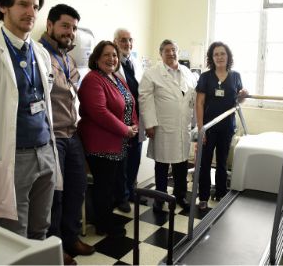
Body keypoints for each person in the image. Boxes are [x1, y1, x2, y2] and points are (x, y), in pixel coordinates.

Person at [0, 0, 62, 240]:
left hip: (45, 151)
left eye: (35, 6)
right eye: (23, 4)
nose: (31, 12)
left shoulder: (40, 53)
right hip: (13, 157)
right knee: (14, 234)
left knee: (41, 227)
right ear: (3, 6)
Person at [39, 4, 94, 264]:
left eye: (73, 28)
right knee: (55, 195)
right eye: (65, 26)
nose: (70, 32)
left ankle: (71, 238)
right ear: (49, 25)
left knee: (77, 188)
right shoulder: (39, 54)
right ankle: (56, 246)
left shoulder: (68, 58)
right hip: (53, 137)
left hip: (72, 134)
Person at [78, 41, 138, 237]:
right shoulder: (93, 79)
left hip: (118, 141)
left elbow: (129, 102)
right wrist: (125, 130)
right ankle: (103, 225)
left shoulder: (114, 77)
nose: (111, 59)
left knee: (111, 185)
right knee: (104, 186)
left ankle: (105, 218)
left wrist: (134, 125)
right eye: (106, 55)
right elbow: (99, 112)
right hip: (100, 143)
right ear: (96, 58)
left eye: (114, 55)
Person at [139, 39, 197, 212]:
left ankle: (180, 196)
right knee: (162, 165)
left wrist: (194, 124)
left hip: (182, 127)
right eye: (167, 51)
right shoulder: (152, 73)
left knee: (181, 164)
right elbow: (144, 99)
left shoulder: (187, 72)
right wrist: (149, 124)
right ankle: (159, 198)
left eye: (174, 50)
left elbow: (192, 98)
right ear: (161, 54)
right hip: (162, 127)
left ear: (178, 52)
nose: (171, 53)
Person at [195, 41, 248, 210]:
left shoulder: (235, 76)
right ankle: (203, 196)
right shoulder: (205, 77)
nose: (219, 57)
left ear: (228, 56)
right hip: (209, 127)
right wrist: (201, 128)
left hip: (227, 127)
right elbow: (199, 103)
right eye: (216, 54)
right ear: (212, 58)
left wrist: (243, 95)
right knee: (205, 162)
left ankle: (220, 193)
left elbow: (238, 100)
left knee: (223, 163)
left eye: (222, 54)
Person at [113, 28, 147, 213]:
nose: (127, 44)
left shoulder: (134, 63)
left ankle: (132, 191)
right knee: (123, 160)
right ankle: (122, 197)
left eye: (129, 40)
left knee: (135, 158)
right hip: (123, 120)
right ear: (115, 41)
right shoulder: (113, 64)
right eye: (123, 40)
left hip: (138, 118)